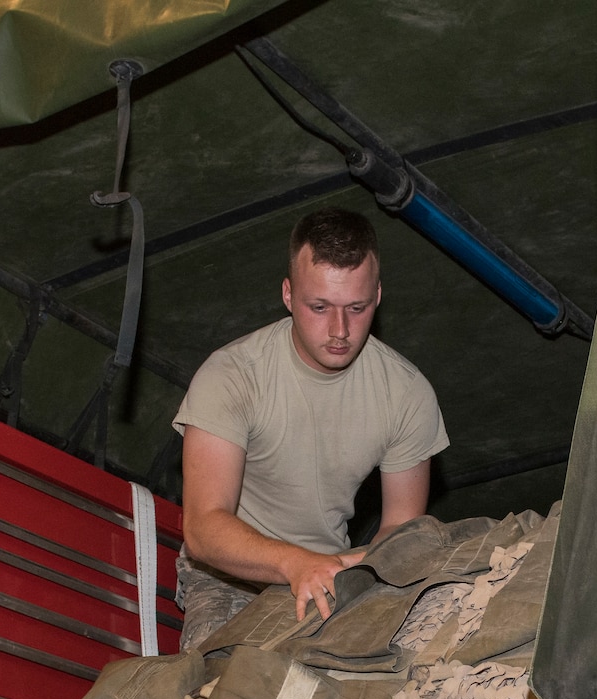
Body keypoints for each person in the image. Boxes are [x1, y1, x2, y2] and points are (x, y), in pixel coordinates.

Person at [172, 206, 449, 649]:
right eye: (319, 307)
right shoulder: (232, 375)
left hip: (335, 569)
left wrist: (349, 568)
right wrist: (294, 564)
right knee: (218, 696)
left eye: (356, 308)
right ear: (287, 295)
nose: (339, 330)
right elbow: (204, 528)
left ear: (377, 297)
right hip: (230, 576)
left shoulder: (407, 393)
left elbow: (401, 532)